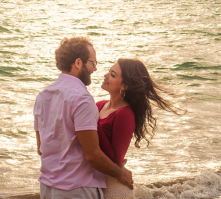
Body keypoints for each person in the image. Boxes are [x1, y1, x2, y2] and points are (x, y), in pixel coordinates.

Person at [34, 37, 133, 199]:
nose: (95, 69)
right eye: (93, 63)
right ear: (78, 63)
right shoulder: (82, 99)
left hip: (47, 188)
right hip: (76, 190)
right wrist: (119, 173)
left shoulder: (42, 96)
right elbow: (92, 154)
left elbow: (41, 148)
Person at [96, 58, 184, 199]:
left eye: (112, 75)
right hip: (96, 183)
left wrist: (93, 123)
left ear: (124, 86)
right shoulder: (99, 106)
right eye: (109, 72)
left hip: (114, 190)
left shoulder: (125, 114)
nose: (106, 76)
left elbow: (115, 160)